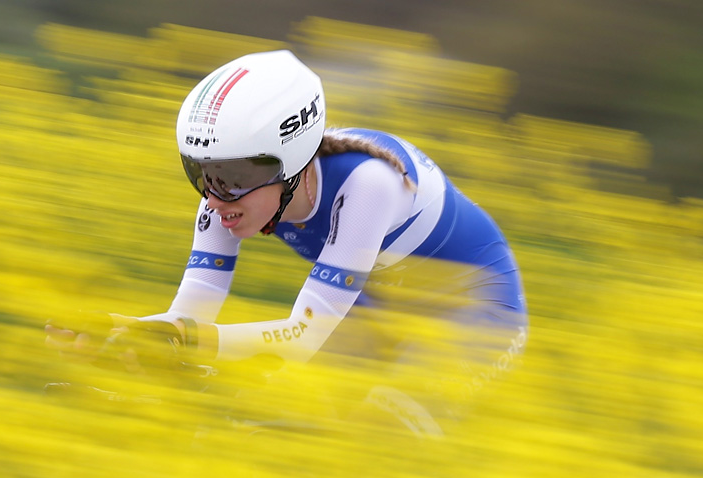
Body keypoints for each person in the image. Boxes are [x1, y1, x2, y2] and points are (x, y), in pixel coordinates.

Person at [48, 50, 527, 435]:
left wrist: (182, 343)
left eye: (233, 177)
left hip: (475, 309)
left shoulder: (369, 184)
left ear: (290, 162)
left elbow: (302, 336)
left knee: (373, 442)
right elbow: (191, 317)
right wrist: (120, 330)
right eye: (201, 174)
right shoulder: (227, 197)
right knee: (265, 420)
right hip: (382, 305)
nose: (215, 198)